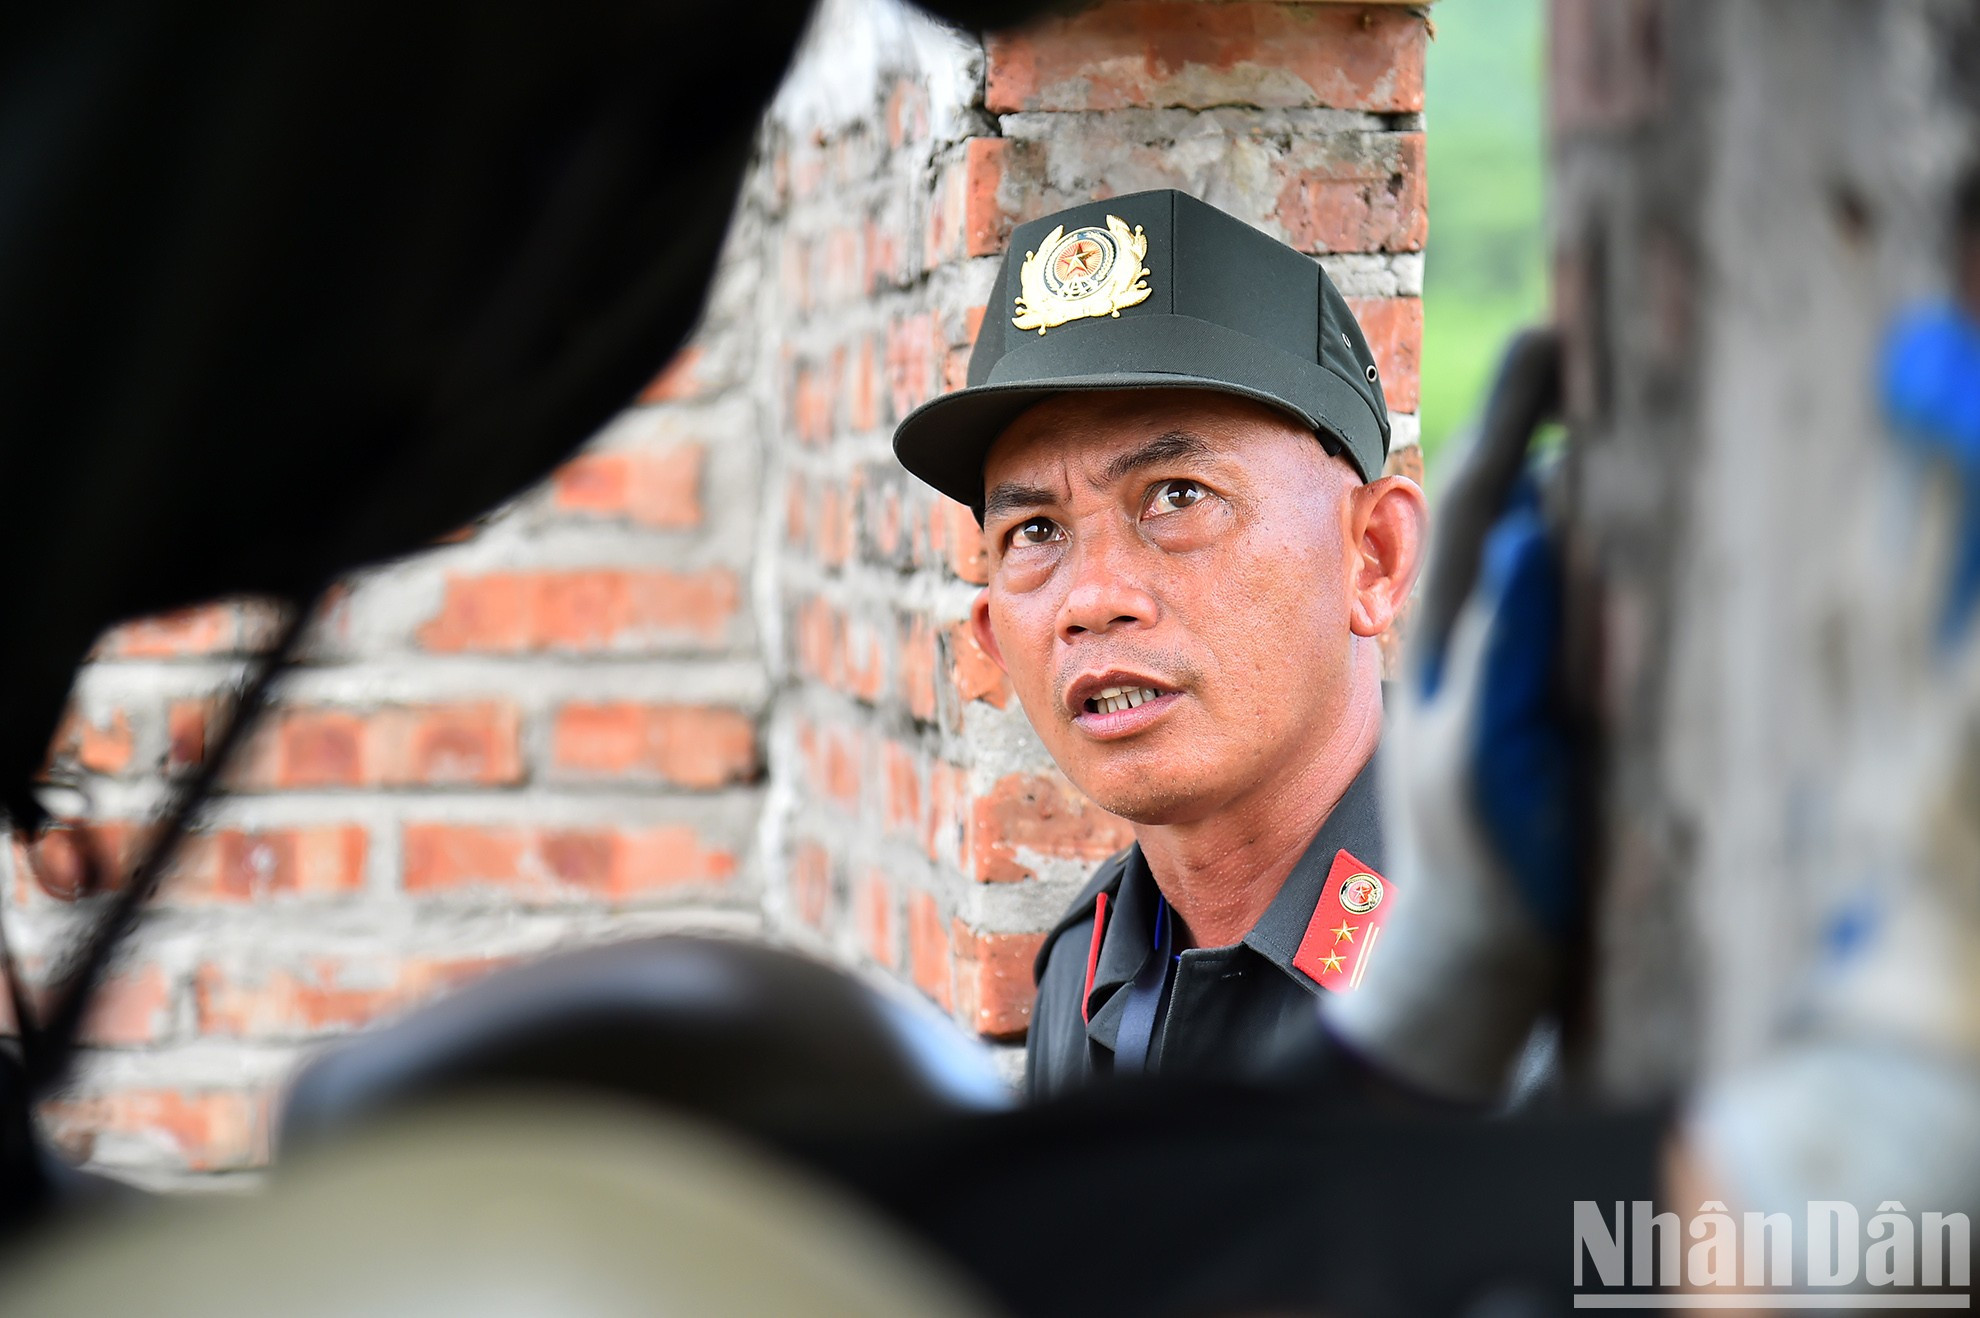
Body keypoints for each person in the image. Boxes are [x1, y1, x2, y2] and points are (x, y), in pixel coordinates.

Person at [892, 189, 1429, 1094]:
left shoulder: (1547, 972)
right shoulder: (1087, 973)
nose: (1092, 601)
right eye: (1035, 534)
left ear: (1372, 558)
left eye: (1178, 496)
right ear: (990, 634)